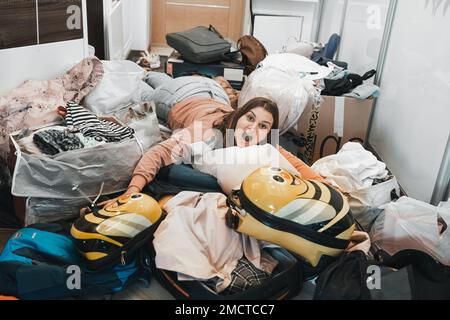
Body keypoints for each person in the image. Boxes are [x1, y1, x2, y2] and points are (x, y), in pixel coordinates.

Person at [122, 72, 325, 197]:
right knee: (144, 92)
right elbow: (159, 153)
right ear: (239, 116)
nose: (252, 129)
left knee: (166, 80)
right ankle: (147, 72)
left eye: (263, 126)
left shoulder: (263, 143)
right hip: (182, 97)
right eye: (250, 118)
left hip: (216, 93)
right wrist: (133, 189)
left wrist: (322, 184)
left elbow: (291, 161)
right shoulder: (207, 132)